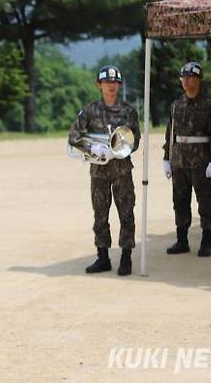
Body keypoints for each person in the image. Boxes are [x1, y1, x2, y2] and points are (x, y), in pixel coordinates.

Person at [68, 65, 141, 276]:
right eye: (107, 82)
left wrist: (119, 150)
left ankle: (126, 257)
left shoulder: (128, 111)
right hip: (99, 171)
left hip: (121, 171)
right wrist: (92, 147)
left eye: (115, 82)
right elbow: (74, 137)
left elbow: (135, 141)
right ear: (98, 84)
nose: (111, 86)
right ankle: (103, 257)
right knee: (100, 214)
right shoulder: (90, 111)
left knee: (126, 213)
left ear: (119, 85)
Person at [163, 61, 211, 257]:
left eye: (190, 77)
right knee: (179, 200)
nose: (186, 81)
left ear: (199, 80)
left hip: (202, 161)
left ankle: (207, 240)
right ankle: (182, 239)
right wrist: (166, 158)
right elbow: (170, 134)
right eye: (184, 78)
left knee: (205, 200)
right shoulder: (176, 105)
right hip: (179, 160)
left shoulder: (209, 105)